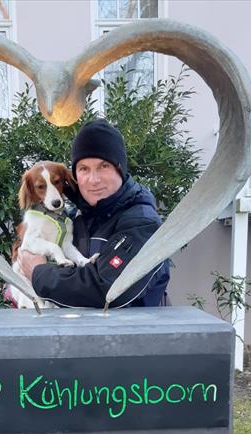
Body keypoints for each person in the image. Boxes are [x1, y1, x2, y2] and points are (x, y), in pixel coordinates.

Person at [18, 120, 170, 308]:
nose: (93, 179)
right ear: (74, 176)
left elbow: (108, 289)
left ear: (120, 169)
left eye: (104, 166)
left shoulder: (142, 222)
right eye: (84, 169)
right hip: (75, 327)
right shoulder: (74, 218)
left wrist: (38, 273)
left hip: (129, 327)